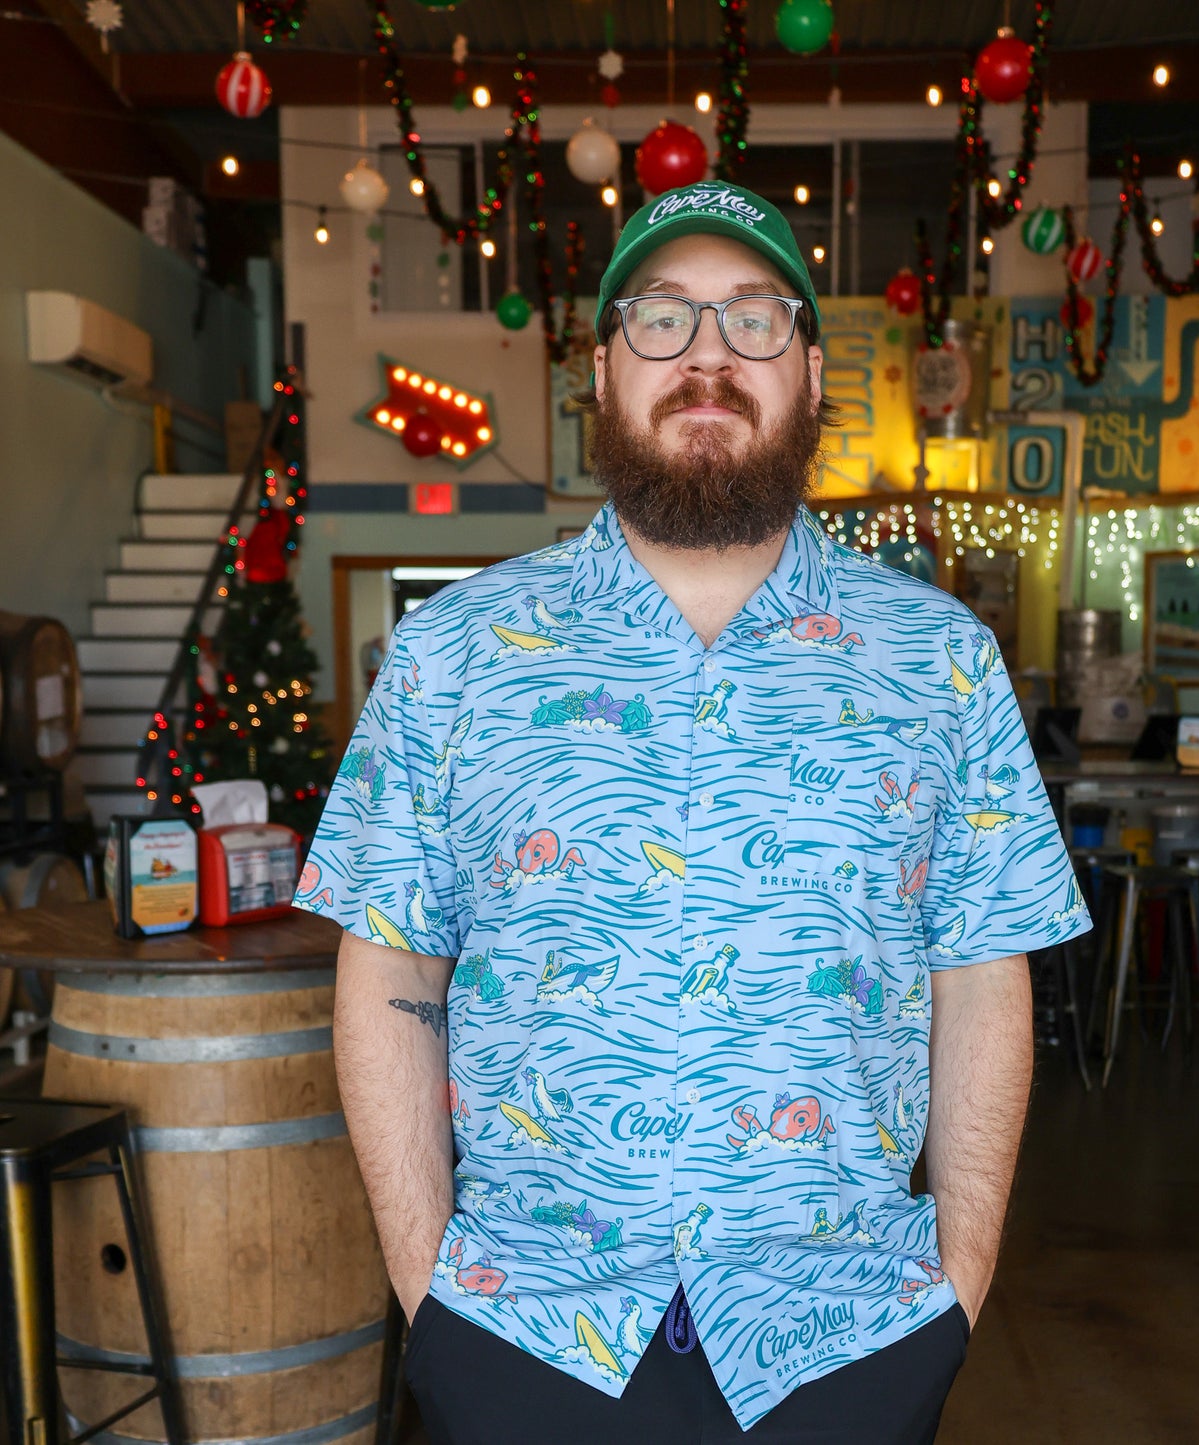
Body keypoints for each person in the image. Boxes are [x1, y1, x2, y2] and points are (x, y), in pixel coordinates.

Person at [301, 179, 1090, 1444]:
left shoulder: (938, 660)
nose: (708, 356)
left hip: (845, 1333)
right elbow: (388, 964)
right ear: (603, 370)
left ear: (811, 372)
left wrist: (959, 1285)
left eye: (754, 319)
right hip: (525, 1329)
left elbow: (982, 978)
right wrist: (427, 1291)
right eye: (663, 319)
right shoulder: (456, 651)